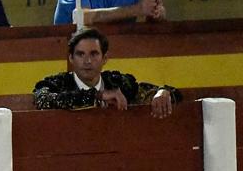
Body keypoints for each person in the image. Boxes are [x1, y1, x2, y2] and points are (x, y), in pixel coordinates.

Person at [33, 27, 180, 118]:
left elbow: (168, 92)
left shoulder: (118, 82)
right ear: (71, 58)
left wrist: (162, 92)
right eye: (80, 54)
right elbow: (43, 100)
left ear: (105, 58)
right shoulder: (56, 84)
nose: (87, 61)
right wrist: (98, 95)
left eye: (94, 54)